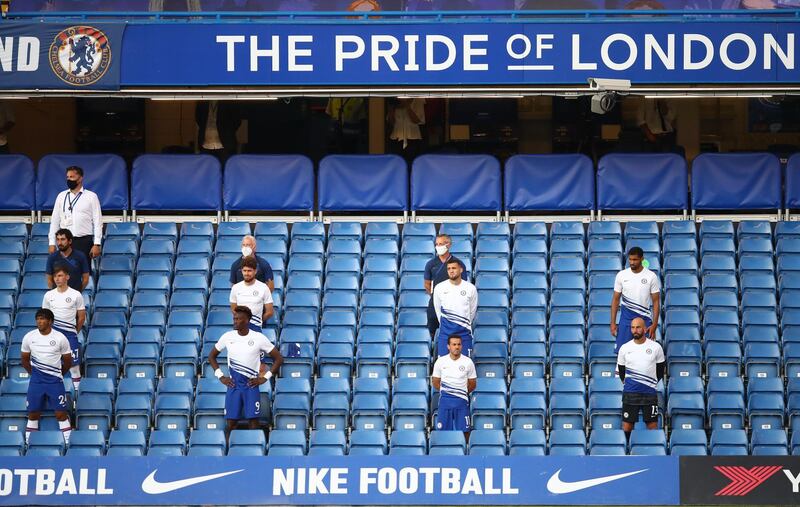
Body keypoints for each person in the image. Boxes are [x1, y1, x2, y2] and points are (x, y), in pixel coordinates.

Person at [207, 306, 283, 436]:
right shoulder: (227, 336)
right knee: (231, 423)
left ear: (247, 320)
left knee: (253, 422)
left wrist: (265, 377)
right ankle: (228, 453)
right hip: (233, 386)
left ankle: (254, 452)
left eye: (238, 319)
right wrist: (221, 376)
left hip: (250, 386)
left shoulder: (258, 338)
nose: (235, 321)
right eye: (234, 318)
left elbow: (279, 358)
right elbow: (211, 356)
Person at [21, 308, 73, 444]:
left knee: (61, 414)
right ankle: (29, 444)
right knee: (32, 414)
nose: (39, 321)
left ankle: (68, 443)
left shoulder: (60, 338)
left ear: (50, 321)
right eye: (38, 318)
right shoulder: (29, 337)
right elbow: (25, 360)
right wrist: (35, 374)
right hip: (36, 382)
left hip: (55, 382)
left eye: (42, 318)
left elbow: (68, 361)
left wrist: (58, 374)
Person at [617, 318, 666, 434]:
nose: (635, 330)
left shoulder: (656, 348)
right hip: (630, 394)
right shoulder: (624, 348)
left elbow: (660, 372)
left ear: (645, 329)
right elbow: (621, 372)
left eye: (638, 327)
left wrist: (648, 383)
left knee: (652, 426)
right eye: (633, 327)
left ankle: (653, 450)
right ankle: (628, 451)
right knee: (627, 428)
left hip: (649, 394)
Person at [42, 265, 86, 391]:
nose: (57, 279)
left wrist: (73, 332)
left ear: (67, 277)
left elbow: (81, 317)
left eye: (60, 276)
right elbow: (44, 317)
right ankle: (53, 393)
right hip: (53, 335)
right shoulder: (48, 295)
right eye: (55, 276)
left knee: (74, 368)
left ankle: (76, 397)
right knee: (52, 366)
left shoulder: (76, 295)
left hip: (70, 336)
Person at [610, 247, 661, 353]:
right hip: (625, 321)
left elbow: (656, 302)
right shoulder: (621, 275)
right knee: (622, 353)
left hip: (645, 321)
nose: (632, 262)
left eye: (635, 260)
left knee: (645, 354)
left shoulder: (651, 276)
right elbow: (615, 300)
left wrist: (655, 324)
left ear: (642, 259)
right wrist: (613, 323)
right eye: (630, 259)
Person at [48, 166, 102, 263]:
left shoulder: (91, 196)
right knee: (64, 271)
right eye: (68, 177)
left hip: (84, 241)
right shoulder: (61, 196)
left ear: (80, 178)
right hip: (65, 241)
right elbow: (55, 221)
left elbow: (98, 222)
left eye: (72, 177)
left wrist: (97, 244)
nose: (69, 179)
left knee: (83, 272)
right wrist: (52, 243)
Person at [432, 335, 477, 441]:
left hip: (461, 402)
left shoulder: (468, 362)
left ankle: (465, 454)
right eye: (454, 344)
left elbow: (472, 383)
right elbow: (435, 381)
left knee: (465, 432)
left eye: (459, 344)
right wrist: (448, 392)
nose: (456, 347)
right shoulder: (440, 362)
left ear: (461, 346)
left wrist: (461, 393)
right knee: (442, 432)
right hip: (445, 402)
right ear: (448, 346)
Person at [433, 258, 478, 358]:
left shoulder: (470, 288)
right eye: (449, 268)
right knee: (444, 368)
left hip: (464, 334)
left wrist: (462, 323)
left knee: (465, 367)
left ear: (461, 270)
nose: (451, 271)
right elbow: (438, 310)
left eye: (454, 268)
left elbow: (472, 311)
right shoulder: (439, 288)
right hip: (445, 334)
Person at [424, 234, 467, 339]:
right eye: (437, 244)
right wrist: (436, 296)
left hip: (453, 303)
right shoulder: (430, 264)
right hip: (435, 302)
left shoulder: (458, 263)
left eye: (441, 244)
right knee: (433, 327)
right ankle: (434, 349)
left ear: (448, 245)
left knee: (452, 332)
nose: (438, 246)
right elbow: (427, 284)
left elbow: (463, 284)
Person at [229, 256, 274, 333]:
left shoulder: (263, 288)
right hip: (239, 328)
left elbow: (270, 312)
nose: (246, 273)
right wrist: (242, 321)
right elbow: (233, 309)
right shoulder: (235, 288)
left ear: (255, 271)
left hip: (256, 328)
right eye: (244, 271)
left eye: (249, 271)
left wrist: (257, 321)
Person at [45, 229, 90, 293]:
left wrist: (77, 293)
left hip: (74, 297)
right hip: (58, 297)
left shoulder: (80, 256)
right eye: (58, 239)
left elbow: (86, 279)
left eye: (63, 239)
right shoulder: (52, 258)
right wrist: (57, 293)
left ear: (70, 241)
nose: (60, 243)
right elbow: (49, 280)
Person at [388, 98, 425, 165]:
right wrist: (391, 108)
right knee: (396, 163)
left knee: (411, 163)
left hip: (412, 137)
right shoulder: (395, 100)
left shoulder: (418, 99)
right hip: (396, 137)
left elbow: (417, 120)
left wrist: (407, 106)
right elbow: (391, 122)